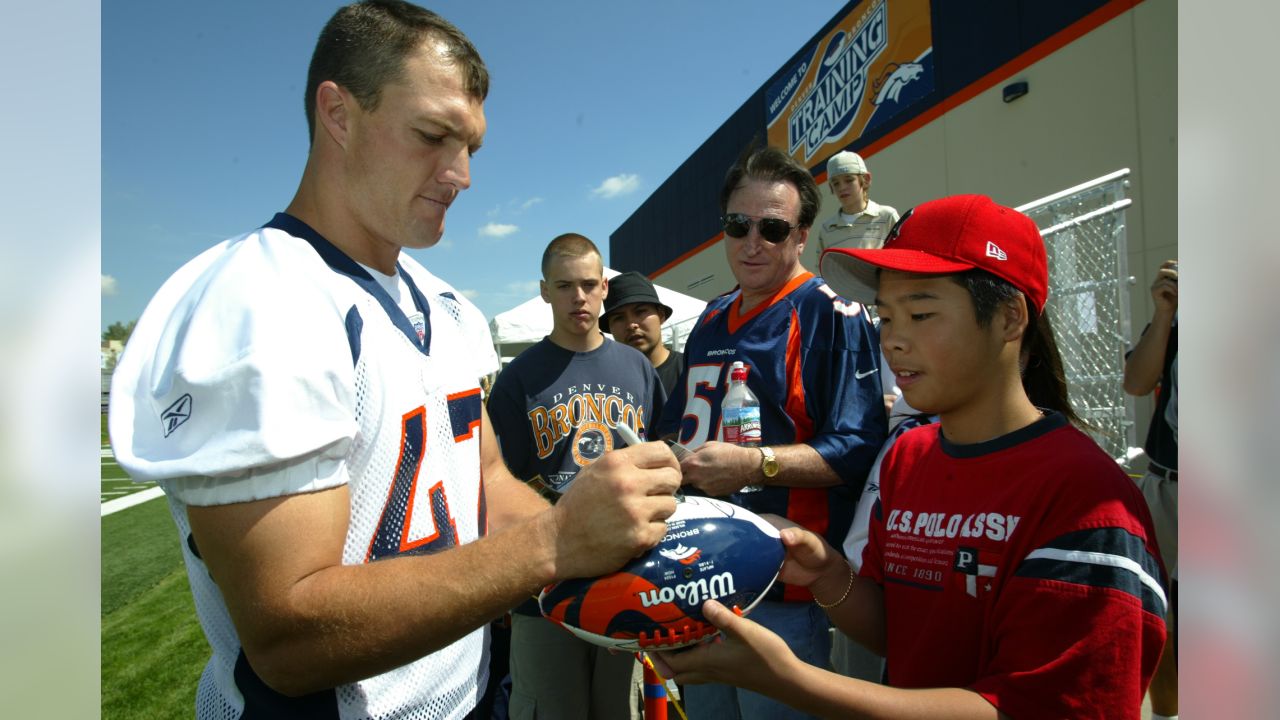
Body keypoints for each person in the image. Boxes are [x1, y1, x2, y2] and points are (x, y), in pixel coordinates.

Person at [107, 4, 680, 718]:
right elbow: (289, 639)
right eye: (433, 136)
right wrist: (558, 543)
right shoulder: (257, 303)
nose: (462, 174)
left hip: (467, 694)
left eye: (470, 144)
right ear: (338, 114)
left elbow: (489, 485)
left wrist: (614, 566)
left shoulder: (445, 306)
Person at [655, 194, 1169, 719]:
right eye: (886, 317)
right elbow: (894, 632)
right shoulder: (908, 457)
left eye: (921, 314)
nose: (895, 340)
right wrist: (828, 573)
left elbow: (1042, 706)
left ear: (1011, 318)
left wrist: (789, 680)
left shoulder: (1088, 500)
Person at [656, 144, 887, 720]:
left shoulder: (831, 314)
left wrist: (756, 466)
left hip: (783, 585)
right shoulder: (709, 316)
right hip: (701, 580)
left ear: (802, 234)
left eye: (773, 227)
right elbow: (680, 428)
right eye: (738, 225)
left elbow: (859, 447)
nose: (752, 242)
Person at [487, 234, 664, 720]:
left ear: (605, 288)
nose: (578, 297)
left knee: (623, 712)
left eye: (588, 284)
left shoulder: (637, 368)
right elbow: (498, 485)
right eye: (564, 285)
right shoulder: (518, 379)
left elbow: (662, 467)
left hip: (627, 581)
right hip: (547, 586)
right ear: (544, 290)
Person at [1122, 258, 1179, 720]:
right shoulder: (1177, 317)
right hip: (1167, 482)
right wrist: (1164, 314)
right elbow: (1136, 382)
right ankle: (1166, 714)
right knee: (1161, 615)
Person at [602, 270, 688, 395]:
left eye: (640, 311)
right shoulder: (604, 386)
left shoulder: (691, 370)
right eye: (619, 318)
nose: (631, 325)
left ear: (661, 315)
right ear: (610, 328)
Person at [814, 150, 899, 254]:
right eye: (836, 183)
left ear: (866, 179)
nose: (842, 187)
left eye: (849, 180)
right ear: (831, 188)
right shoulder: (826, 230)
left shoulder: (887, 217)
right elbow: (824, 268)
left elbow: (902, 259)